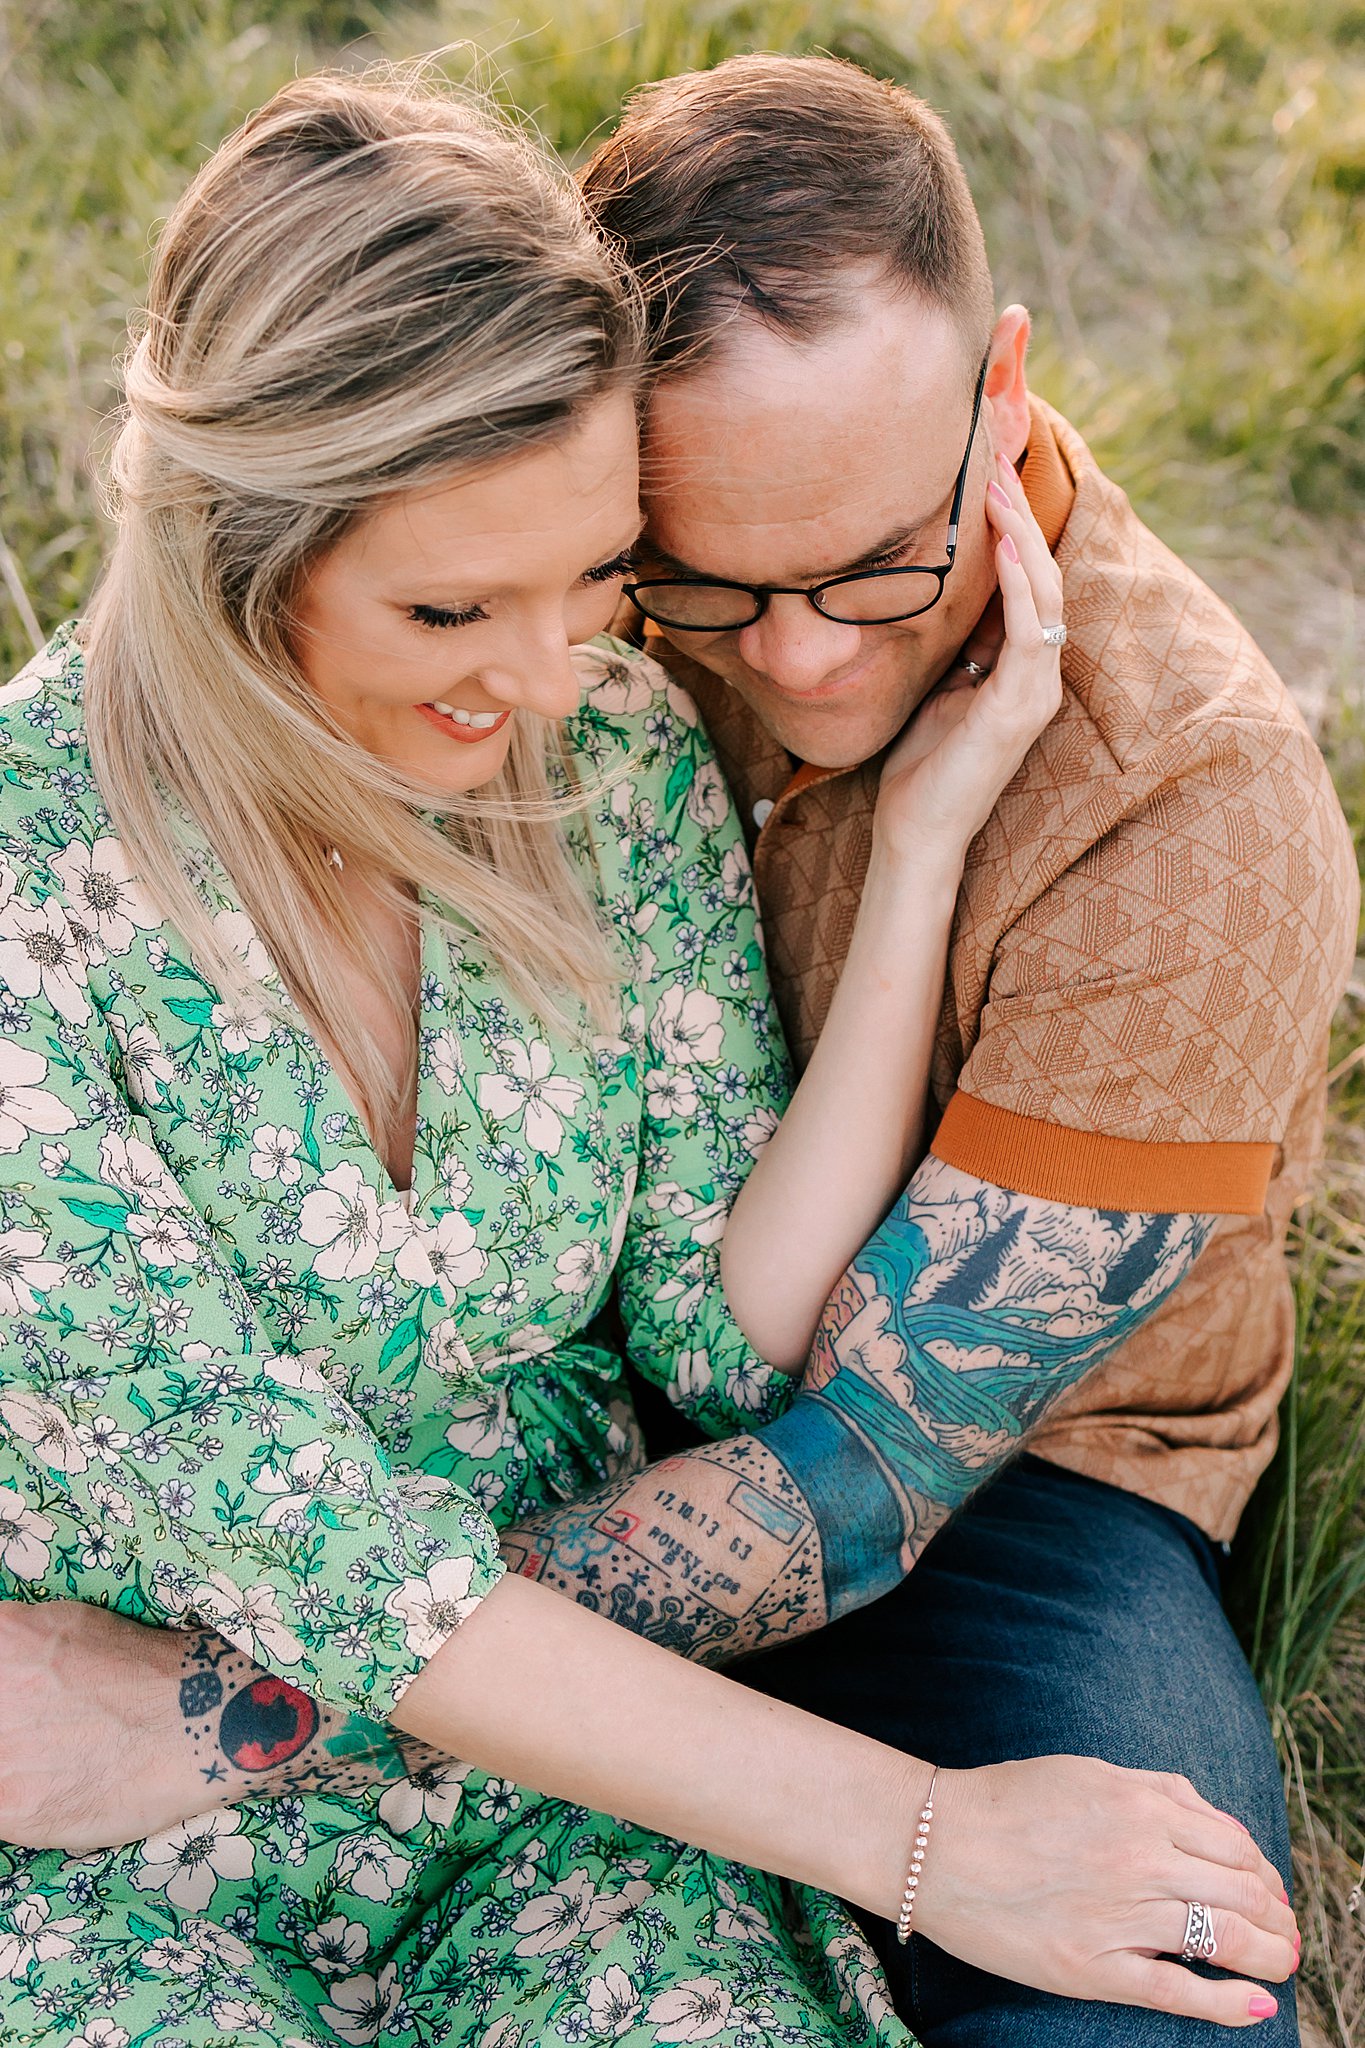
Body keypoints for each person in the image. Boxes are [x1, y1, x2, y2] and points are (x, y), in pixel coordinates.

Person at [0, 63, 1299, 2048]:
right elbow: (283, 1522)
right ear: (233, 544)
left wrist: (924, 850)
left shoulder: (640, 747)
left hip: (643, 1692)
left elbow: (755, 1362)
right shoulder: (49, 883)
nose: (557, 679)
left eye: (595, 583)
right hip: (127, 1805)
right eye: (459, 601)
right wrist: (924, 1836)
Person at [569, 51, 1358, 2048]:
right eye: (709, 589)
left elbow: (862, 1475)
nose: (805, 657)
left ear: (997, 393)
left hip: (1009, 1484)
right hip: (551, 1353)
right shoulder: (560, 589)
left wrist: (323, 1647)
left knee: (1147, 2004)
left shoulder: (1190, 807)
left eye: (873, 571)